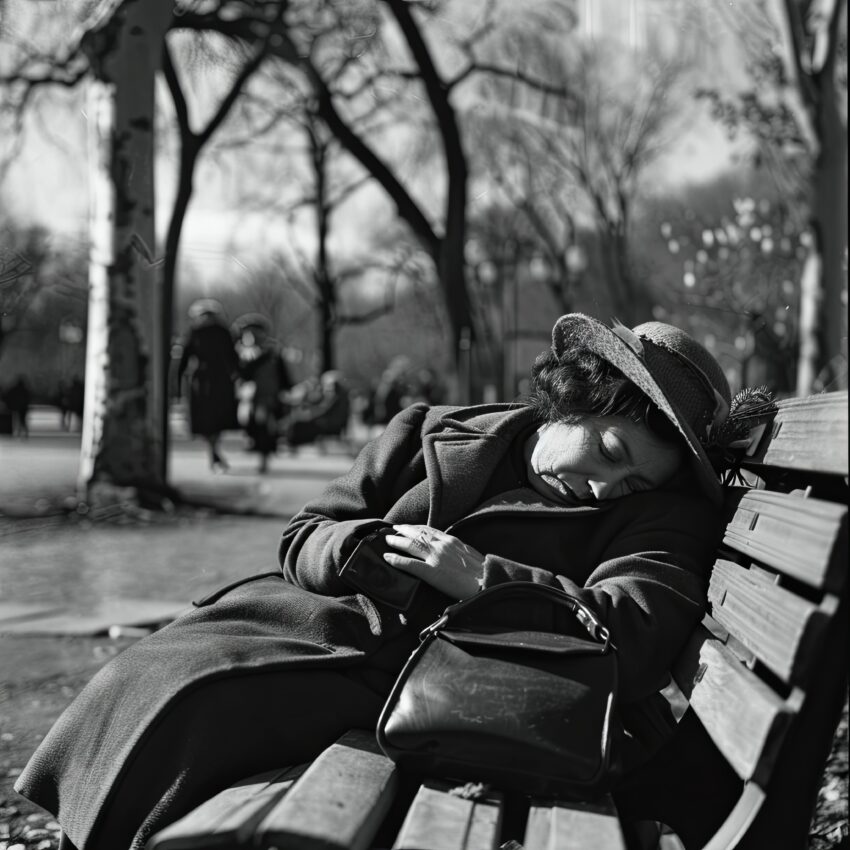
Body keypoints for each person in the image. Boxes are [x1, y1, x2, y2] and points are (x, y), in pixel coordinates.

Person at [15, 314, 749, 850]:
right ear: (577, 396)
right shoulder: (429, 428)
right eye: (611, 452)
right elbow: (304, 533)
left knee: (201, 706)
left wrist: (480, 578)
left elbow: (633, 629)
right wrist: (358, 551)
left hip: (443, 688)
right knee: (157, 674)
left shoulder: (662, 518)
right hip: (310, 628)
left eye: (632, 483)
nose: (606, 489)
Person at [176, 299, 240, 472]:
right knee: (212, 420)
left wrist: (176, 384)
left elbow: (182, 360)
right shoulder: (219, 332)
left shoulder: (196, 332)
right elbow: (233, 358)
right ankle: (214, 451)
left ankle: (214, 451)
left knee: (209, 420)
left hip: (206, 381)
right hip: (214, 381)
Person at [233, 313, 292, 473]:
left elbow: (282, 373)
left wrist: (285, 390)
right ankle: (259, 451)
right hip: (248, 397)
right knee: (249, 423)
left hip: (267, 396)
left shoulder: (272, 352)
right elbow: (241, 373)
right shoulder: (243, 352)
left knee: (264, 427)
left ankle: (264, 458)